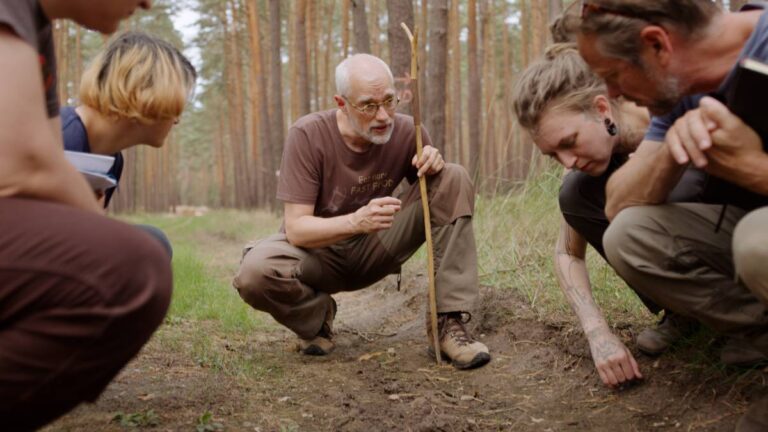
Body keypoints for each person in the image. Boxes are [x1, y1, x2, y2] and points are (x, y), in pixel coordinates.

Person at [577, 1, 768, 429]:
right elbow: (615, 204)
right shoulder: (685, 87)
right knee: (629, 235)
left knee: (758, 239)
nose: (615, 96)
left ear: (656, 44)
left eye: (612, 76)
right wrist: (672, 150)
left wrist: (751, 167)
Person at [233, 53, 491, 370]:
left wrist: (435, 166)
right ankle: (316, 319)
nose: (383, 115)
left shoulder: (410, 132)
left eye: (389, 101)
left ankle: (448, 325)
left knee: (453, 175)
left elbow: (438, 197)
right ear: (341, 103)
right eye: (368, 106)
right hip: (317, 256)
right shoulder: (308, 135)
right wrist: (357, 220)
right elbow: (297, 229)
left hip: (377, 248)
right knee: (254, 272)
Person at [0, 1, 173, 430]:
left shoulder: (33, 26)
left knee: (135, 253)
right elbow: (26, 162)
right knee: (131, 269)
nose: (148, 3)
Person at [511, 43, 705, 388]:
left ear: (602, 108)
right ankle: (687, 314)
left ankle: (746, 317)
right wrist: (597, 331)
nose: (567, 161)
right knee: (575, 192)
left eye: (569, 142)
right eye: (553, 154)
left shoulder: (677, 107)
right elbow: (567, 252)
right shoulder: (592, 163)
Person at [62, 30, 197, 258]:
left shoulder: (113, 160)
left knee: (152, 242)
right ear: (144, 94)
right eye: (174, 105)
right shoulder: (59, 136)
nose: (177, 120)